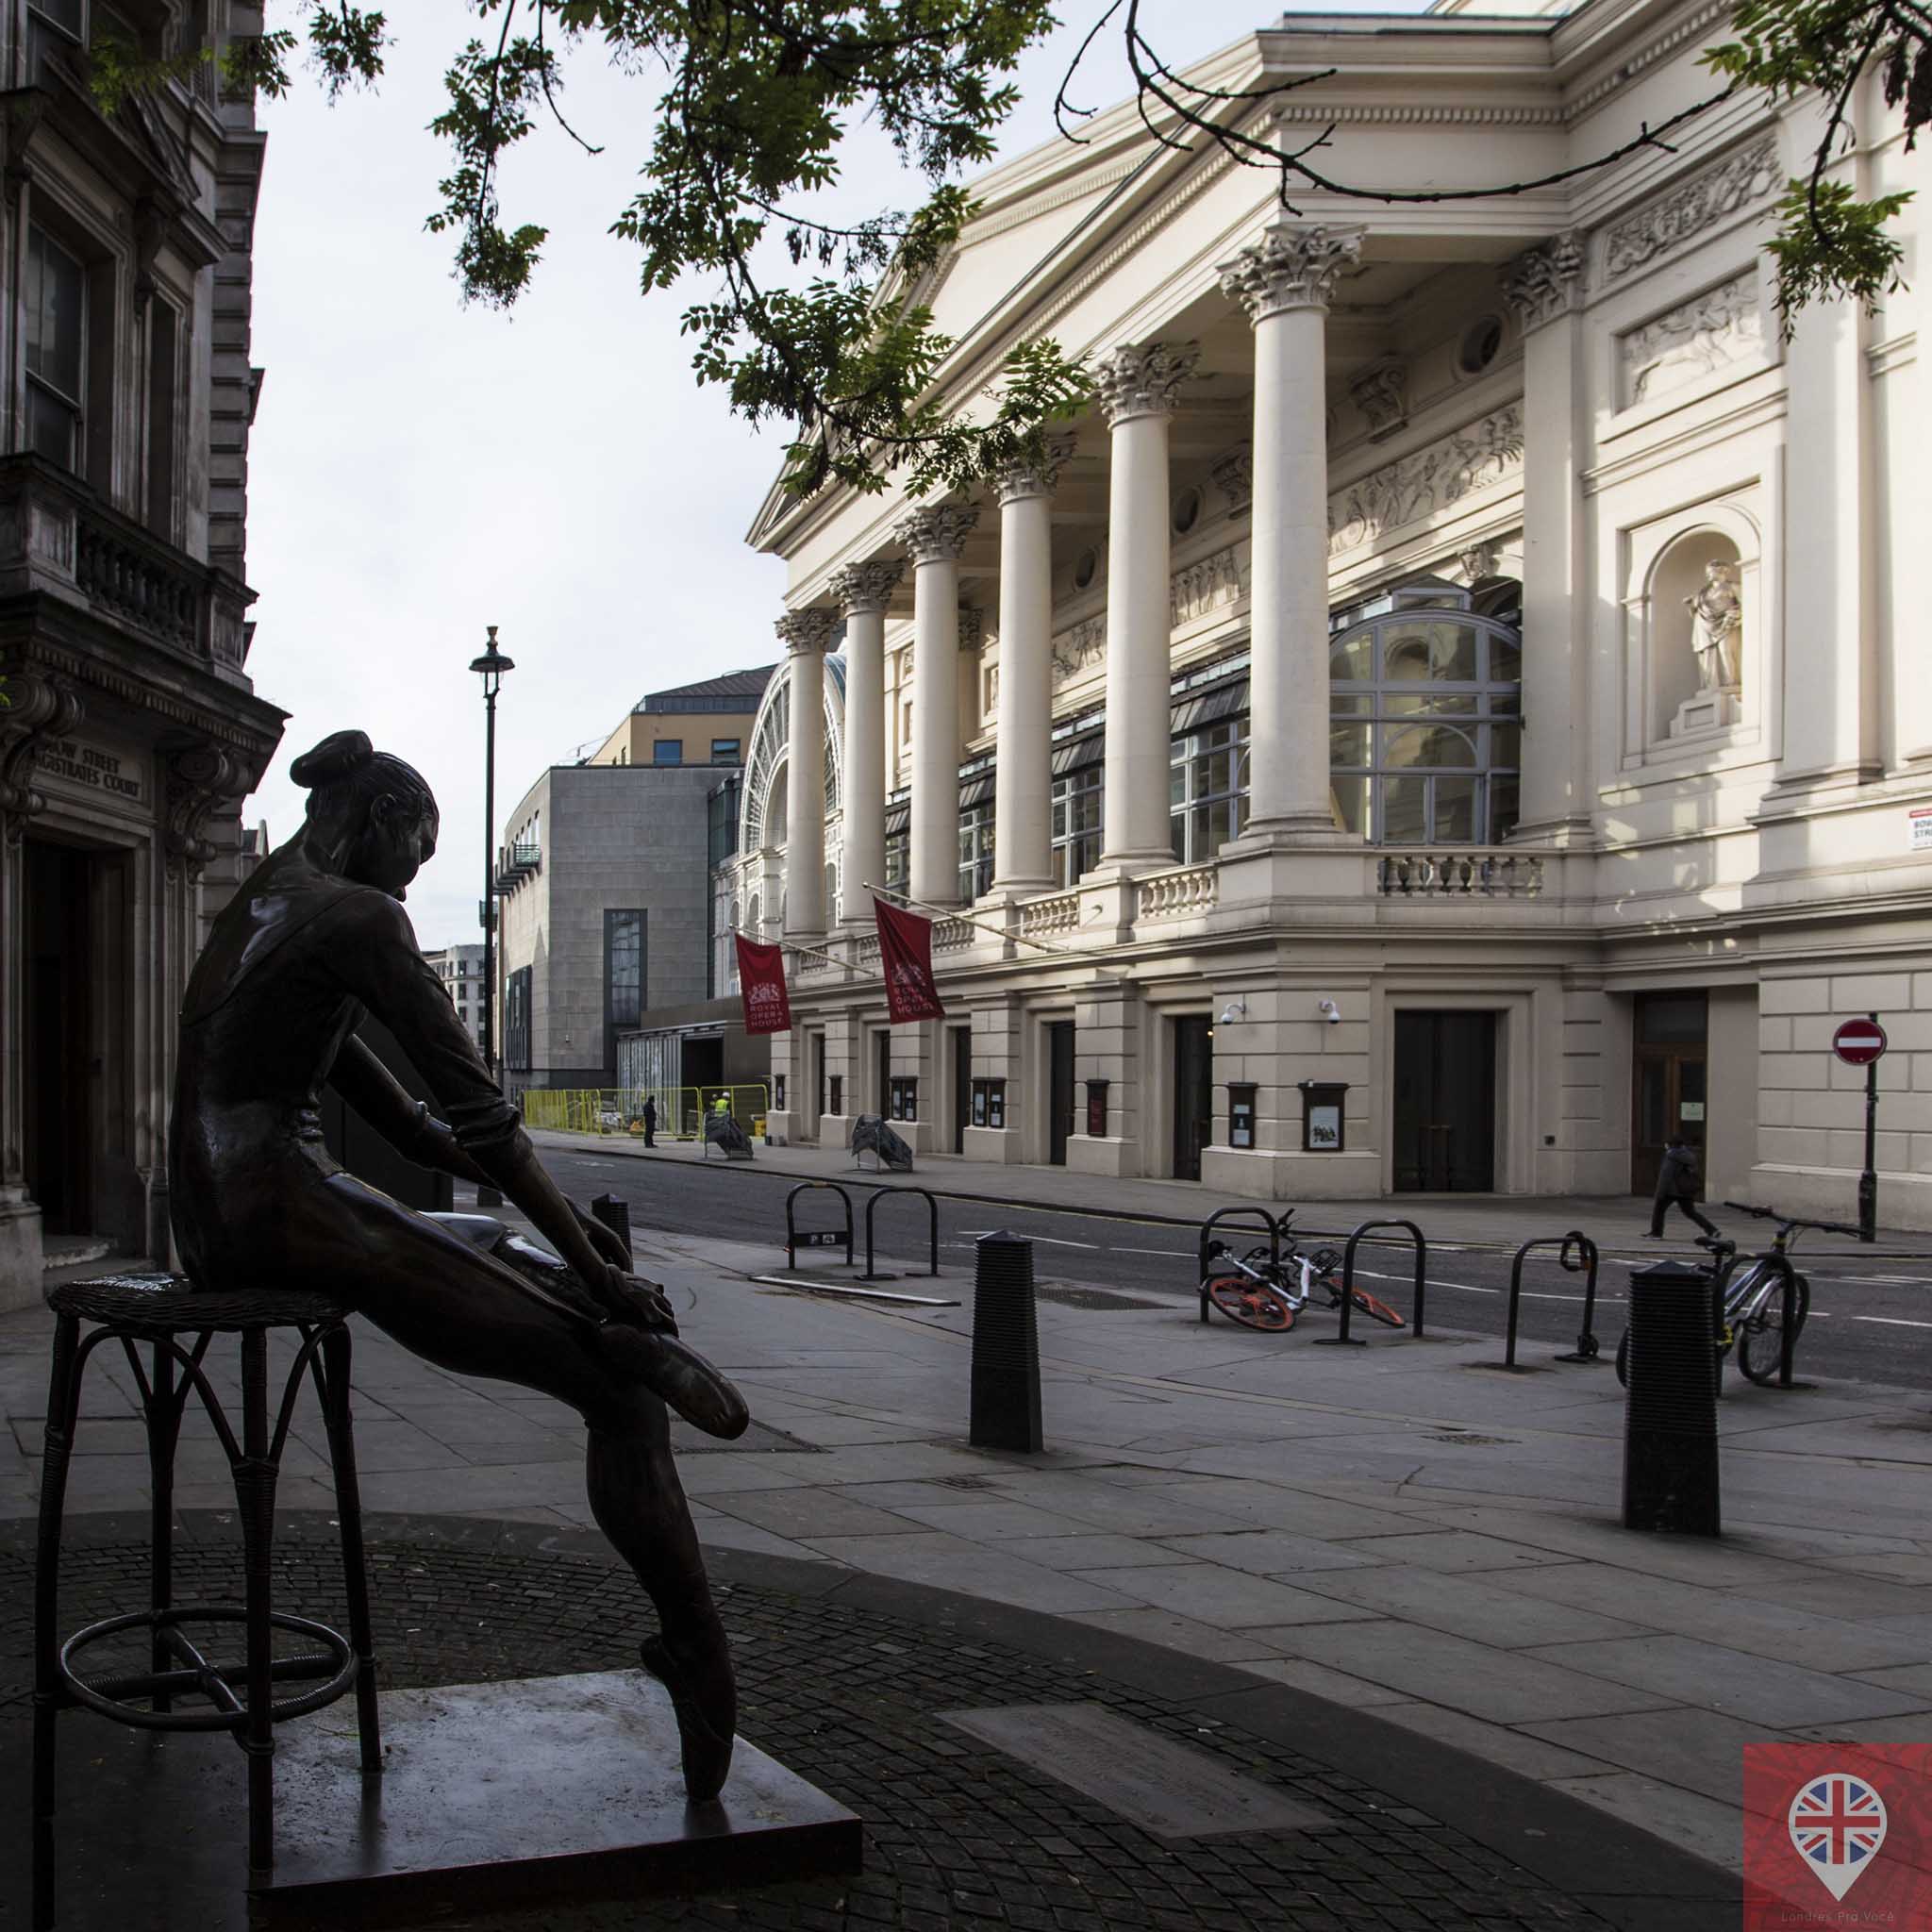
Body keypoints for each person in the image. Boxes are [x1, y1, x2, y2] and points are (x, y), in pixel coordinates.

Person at [171, 731, 744, 1800]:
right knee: (615, 1394)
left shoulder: (268, 896)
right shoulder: (360, 916)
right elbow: (486, 1115)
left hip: (221, 1205)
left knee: (477, 1239)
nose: (413, 881)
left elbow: (368, 1081)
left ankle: (576, 1298)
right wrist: (594, 1252)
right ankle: (695, 1645)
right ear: (385, 821)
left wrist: (509, 1203)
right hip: (271, 1206)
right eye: (417, 856)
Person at [1649, 1135, 1719, 1240]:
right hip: (1685, 1189)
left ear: (1670, 1145)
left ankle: (1656, 1233)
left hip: (1671, 1190)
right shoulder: (1688, 1155)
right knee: (1691, 1212)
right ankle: (1712, 1230)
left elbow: (1665, 1176)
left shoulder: (1670, 1157)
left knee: (1659, 1210)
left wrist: (1660, 1192)